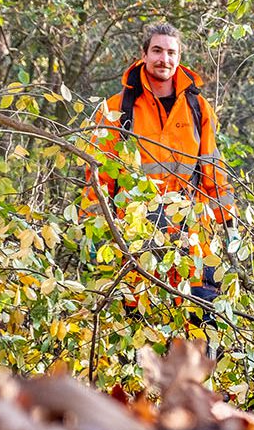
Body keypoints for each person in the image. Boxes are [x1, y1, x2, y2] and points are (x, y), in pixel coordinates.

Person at [84, 22, 239, 326]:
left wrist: (229, 223)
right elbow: (99, 176)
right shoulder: (117, 109)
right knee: (138, 334)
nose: (163, 59)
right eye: (157, 50)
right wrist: (95, 228)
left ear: (179, 58)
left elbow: (213, 171)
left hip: (192, 235)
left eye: (171, 52)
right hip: (135, 236)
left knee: (200, 329)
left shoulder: (198, 108)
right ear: (143, 54)